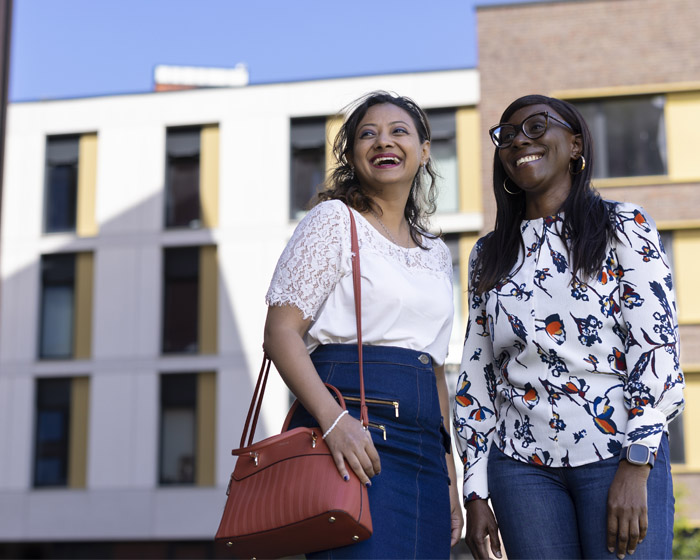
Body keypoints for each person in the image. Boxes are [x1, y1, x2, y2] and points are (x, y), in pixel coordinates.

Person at [453, 94, 684, 560]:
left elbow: (655, 349)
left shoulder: (625, 226)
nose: (520, 141)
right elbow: (476, 378)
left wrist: (637, 464)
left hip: (617, 455)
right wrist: (475, 491)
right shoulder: (489, 254)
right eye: (508, 135)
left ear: (575, 144)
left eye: (536, 127)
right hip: (521, 472)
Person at [264, 91, 464, 559]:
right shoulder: (334, 221)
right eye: (368, 134)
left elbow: (434, 368)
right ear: (353, 154)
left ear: (424, 149)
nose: (383, 142)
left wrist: (450, 474)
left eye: (399, 131)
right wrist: (335, 424)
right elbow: (279, 334)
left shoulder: (436, 253)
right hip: (355, 435)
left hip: (424, 454)